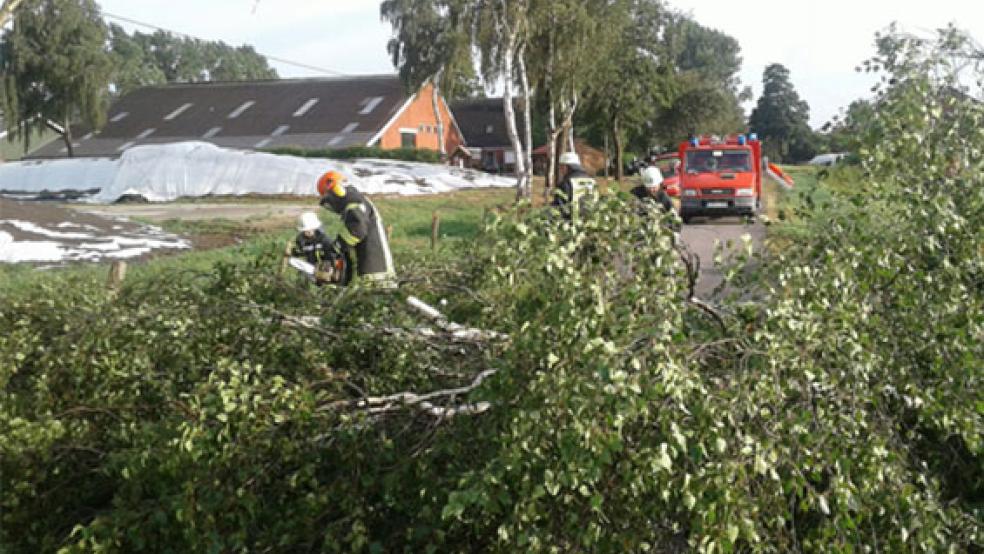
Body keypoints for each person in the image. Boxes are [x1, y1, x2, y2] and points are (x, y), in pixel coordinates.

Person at [316, 170, 397, 288]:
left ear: (336, 192)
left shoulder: (354, 203)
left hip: (374, 271)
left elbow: (357, 231)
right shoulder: (356, 203)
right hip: (372, 269)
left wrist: (336, 248)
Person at [285, 212, 348, 285]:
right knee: (291, 261)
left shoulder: (324, 240)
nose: (307, 232)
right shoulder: (301, 240)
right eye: (305, 230)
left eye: (309, 229)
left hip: (327, 271)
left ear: (315, 227)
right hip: (312, 270)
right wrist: (291, 251)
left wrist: (337, 273)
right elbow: (300, 252)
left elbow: (338, 257)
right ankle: (316, 282)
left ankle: (327, 282)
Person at [551, 151, 597, 217]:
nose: (561, 170)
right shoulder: (592, 182)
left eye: (561, 167)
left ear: (566, 166)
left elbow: (559, 209)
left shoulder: (566, 184)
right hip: (592, 223)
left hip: (571, 224)